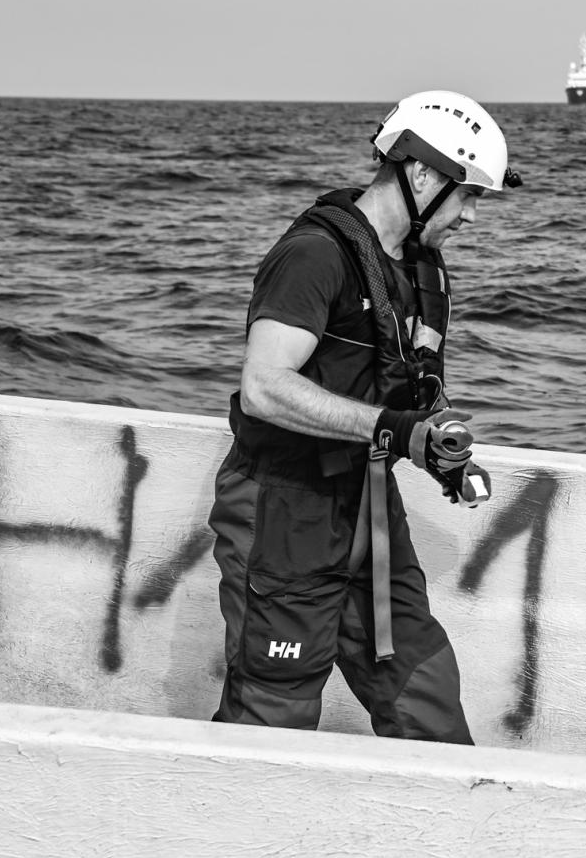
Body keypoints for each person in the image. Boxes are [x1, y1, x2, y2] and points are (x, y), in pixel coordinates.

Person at [207, 89, 521, 744]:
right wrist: (393, 431)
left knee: (424, 691)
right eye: (467, 195)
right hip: (284, 511)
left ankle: (446, 810)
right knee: (273, 712)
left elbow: (405, 390)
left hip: (369, 509)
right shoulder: (315, 255)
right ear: (424, 174)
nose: (470, 216)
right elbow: (264, 387)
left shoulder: (421, 270)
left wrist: (436, 446)